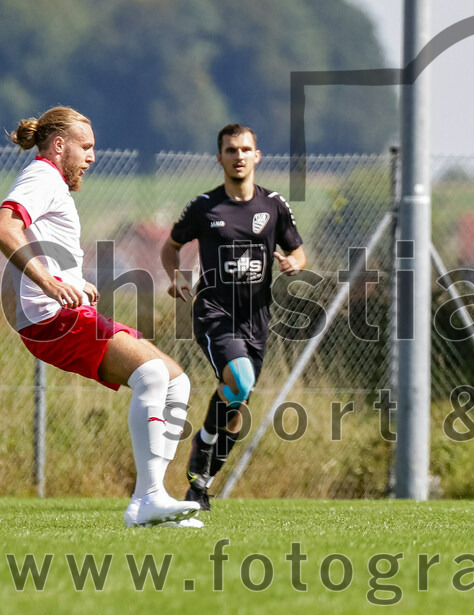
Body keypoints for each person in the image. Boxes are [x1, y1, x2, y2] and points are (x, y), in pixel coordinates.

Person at [0, 106, 202, 528]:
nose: (92, 158)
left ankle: (152, 500)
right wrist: (54, 285)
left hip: (57, 314)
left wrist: (64, 279)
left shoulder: (50, 181)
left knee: (175, 379)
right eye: (85, 148)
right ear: (59, 145)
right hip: (51, 317)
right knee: (151, 376)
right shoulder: (41, 177)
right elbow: (5, 228)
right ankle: (147, 500)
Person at [162, 123, 305, 510]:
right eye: (230, 150)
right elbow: (170, 246)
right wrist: (176, 278)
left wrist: (293, 262)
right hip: (214, 312)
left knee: (238, 405)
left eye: (245, 149)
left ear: (257, 156)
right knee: (239, 380)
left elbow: (298, 249)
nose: (238, 156)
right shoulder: (205, 207)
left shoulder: (273, 205)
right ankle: (203, 444)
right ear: (220, 157)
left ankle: (202, 482)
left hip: (256, 320)